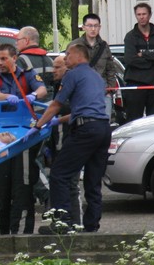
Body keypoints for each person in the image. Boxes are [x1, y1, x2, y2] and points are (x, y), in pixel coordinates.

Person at [34, 42, 112, 235]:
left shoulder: (72, 75)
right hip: (103, 128)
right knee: (93, 181)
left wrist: (38, 125)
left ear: (79, 56)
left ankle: (63, 223)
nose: (66, 58)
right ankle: (91, 226)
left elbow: (56, 105)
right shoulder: (96, 76)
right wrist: (57, 121)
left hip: (85, 131)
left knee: (59, 173)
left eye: (68, 54)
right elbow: (84, 109)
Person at [0, 43, 47, 235]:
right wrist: (7, 96)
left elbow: (42, 89)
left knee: (23, 186)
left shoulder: (27, 74)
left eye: (4, 59)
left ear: (14, 58)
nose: (0, 63)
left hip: (24, 136)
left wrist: (33, 95)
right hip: (0, 138)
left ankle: (21, 234)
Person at [122, 3, 154, 120]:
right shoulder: (130, 36)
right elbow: (130, 59)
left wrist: (143, 54)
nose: (141, 17)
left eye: (144, 14)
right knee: (134, 120)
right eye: (138, 14)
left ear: (150, 15)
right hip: (135, 84)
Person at [70, 13, 120, 117]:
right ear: (83, 27)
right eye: (89, 25)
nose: (93, 29)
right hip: (82, 93)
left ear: (99, 27)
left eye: (96, 26)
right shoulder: (75, 46)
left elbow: (110, 69)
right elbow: (69, 69)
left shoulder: (104, 46)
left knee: (104, 122)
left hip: (103, 93)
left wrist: (110, 90)